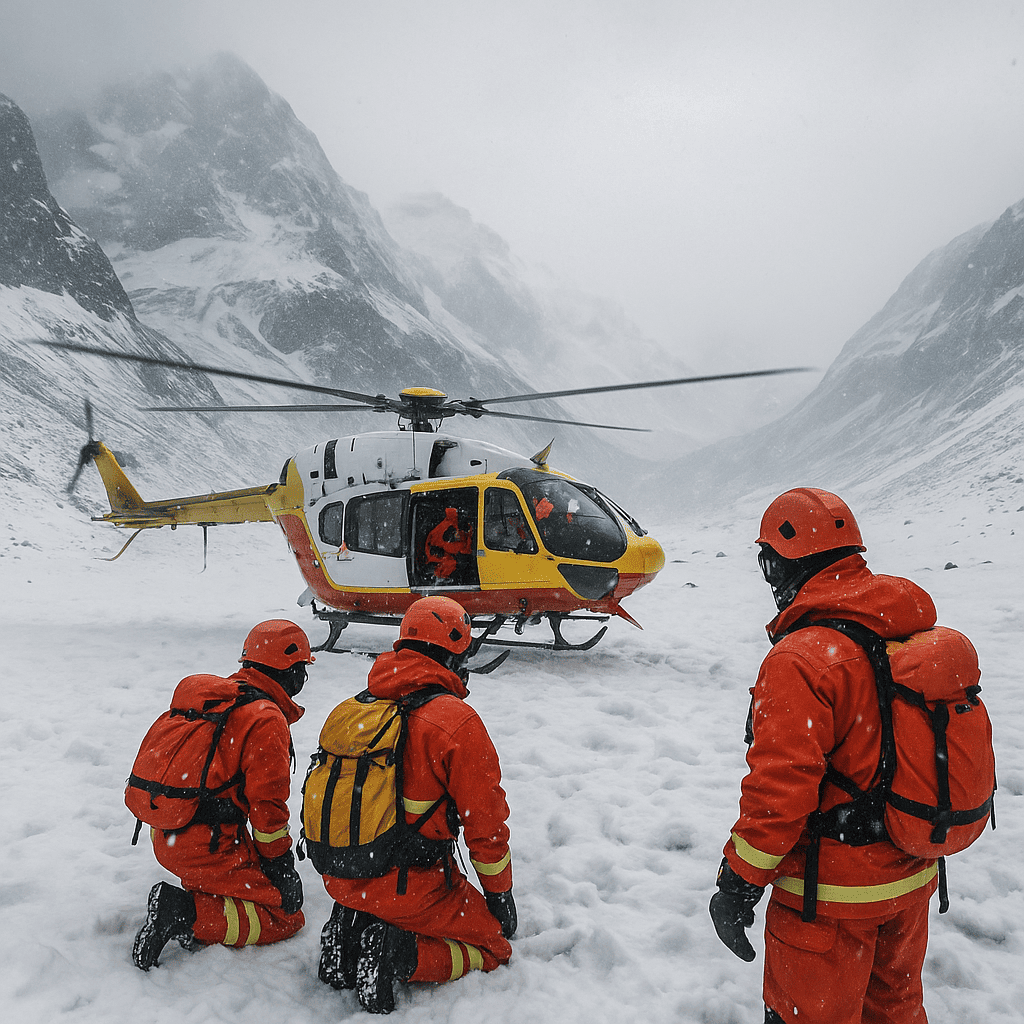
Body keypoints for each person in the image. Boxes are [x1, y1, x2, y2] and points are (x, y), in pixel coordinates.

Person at [710, 487, 965, 1023]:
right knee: (894, 1011)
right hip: (910, 876)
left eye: (768, 564)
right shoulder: (900, 626)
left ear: (785, 564)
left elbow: (781, 793)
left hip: (829, 898)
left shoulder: (802, 658)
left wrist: (737, 883)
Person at [315, 595, 516, 1014]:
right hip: (411, 887)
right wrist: (500, 896)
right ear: (452, 655)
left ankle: (351, 927)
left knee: (383, 897)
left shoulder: (352, 709)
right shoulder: (455, 721)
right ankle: (399, 954)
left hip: (343, 876)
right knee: (493, 947)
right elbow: (486, 826)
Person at [129, 619, 314, 970]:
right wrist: (281, 867)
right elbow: (268, 811)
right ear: (290, 671)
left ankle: (204, 891)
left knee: (248, 885)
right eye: (302, 668)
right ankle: (183, 913)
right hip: (205, 845)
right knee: (284, 916)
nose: (304, 677)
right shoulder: (265, 718)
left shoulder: (222, 697)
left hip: (169, 830)